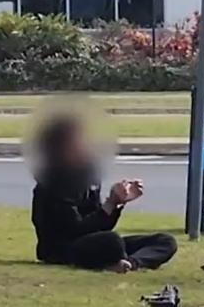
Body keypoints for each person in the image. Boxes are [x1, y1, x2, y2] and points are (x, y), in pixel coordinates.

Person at [30, 114, 177, 273]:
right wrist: (109, 204)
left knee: (165, 241)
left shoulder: (87, 178)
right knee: (111, 241)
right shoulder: (53, 183)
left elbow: (99, 225)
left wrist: (118, 202)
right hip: (63, 249)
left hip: (93, 242)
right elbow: (74, 230)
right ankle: (117, 259)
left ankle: (130, 263)